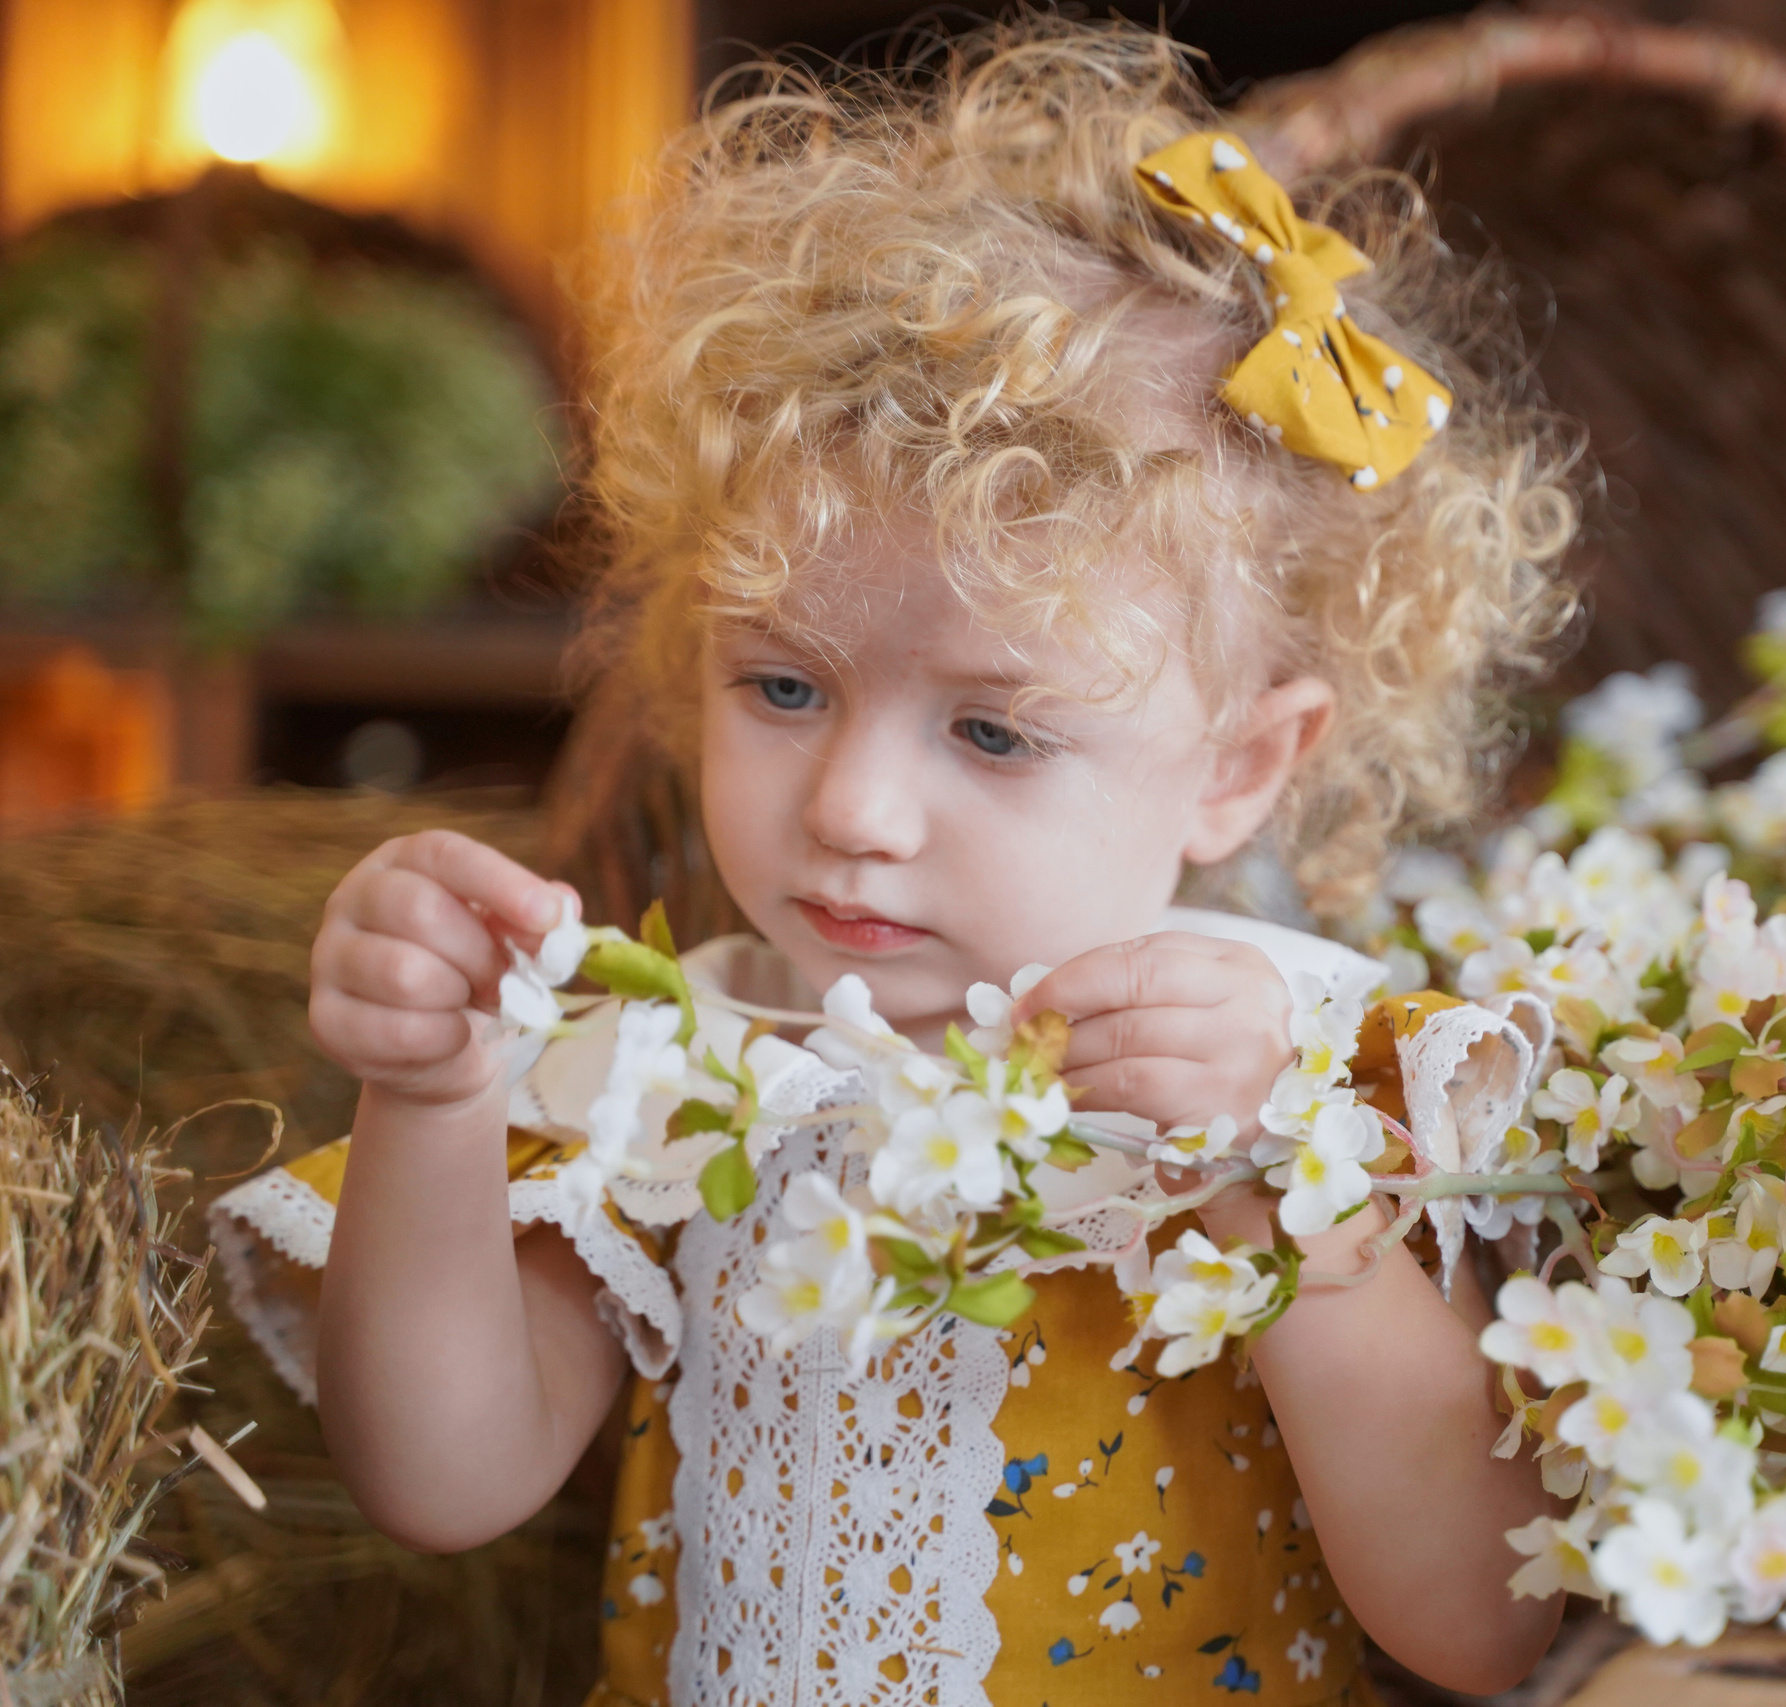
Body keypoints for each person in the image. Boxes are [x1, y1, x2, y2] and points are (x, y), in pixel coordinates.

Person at [211, 18, 1581, 1705]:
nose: (853, 805)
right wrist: (438, 1103)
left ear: (1240, 770)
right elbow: (444, 1482)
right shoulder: (681, 1071)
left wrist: (1283, 1204)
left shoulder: (1307, 1082)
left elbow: (1485, 1624)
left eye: (995, 733)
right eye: (783, 685)